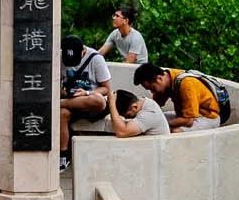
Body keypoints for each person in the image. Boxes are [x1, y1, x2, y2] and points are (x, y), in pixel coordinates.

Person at [59, 33, 112, 172]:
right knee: (62, 113)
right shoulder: (60, 57)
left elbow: (106, 88)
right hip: (71, 101)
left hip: (90, 102)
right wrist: (64, 92)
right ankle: (63, 155)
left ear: (83, 51)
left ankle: (57, 103)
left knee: (97, 100)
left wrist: (86, 93)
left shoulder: (96, 59)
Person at [134, 64, 222, 133]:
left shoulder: (186, 84)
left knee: (175, 132)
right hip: (184, 116)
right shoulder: (165, 81)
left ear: (159, 78)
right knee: (151, 119)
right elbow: (155, 106)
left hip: (207, 117)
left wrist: (161, 124)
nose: (152, 92)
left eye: (152, 88)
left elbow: (188, 121)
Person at [106, 85, 171, 140]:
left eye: (128, 115)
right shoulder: (140, 102)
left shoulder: (149, 113)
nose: (125, 118)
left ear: (134, 107)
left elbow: (122, 132)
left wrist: (112, 104)